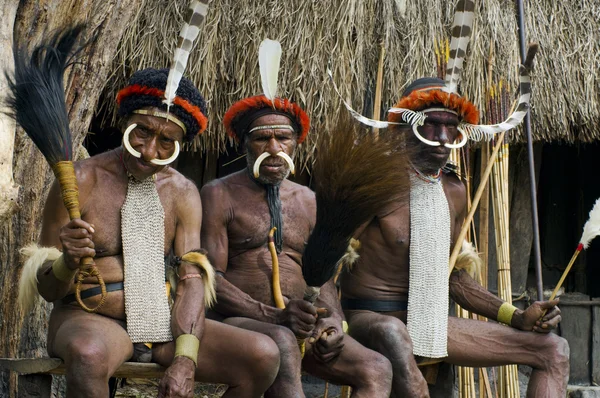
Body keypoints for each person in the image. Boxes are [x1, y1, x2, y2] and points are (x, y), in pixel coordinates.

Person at [20, 66, 280, 398]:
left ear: (179, 145)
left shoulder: (183, 193)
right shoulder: (80, 181)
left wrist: (185, 358)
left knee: (262, 354)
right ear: (124, 123)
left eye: (166, 141)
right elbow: (47, 289)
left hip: (163, 326)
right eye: (141, 132)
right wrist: (67, 261)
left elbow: (191, 280)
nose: (148, 151)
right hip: (91, 320)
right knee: (89, 355)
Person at [338, 76, 570, 398]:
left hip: (432, 323)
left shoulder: (454, 190)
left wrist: (516, 316)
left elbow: (454, 278)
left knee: (553, 349)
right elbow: (326, 262)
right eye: (431, 125)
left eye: (452, 126)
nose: (443, 137)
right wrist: (331, 325)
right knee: (392, 333)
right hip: (371, 318)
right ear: (406, 126)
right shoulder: (372, 184)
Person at [200, 91, 393, 397]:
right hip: (237, 321)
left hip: (300, 324)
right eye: (262, 138)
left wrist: (333, 322)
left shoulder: (308, 201)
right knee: (283, 340)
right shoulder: (218, 195)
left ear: (296, 143)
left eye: (283, 138)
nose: (274, 148)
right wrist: (272, 315)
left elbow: (324, 276)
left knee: (376, 368)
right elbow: (210, 280)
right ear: (244, 144)